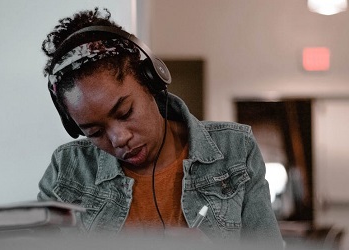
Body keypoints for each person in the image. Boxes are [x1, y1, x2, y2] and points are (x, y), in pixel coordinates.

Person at [37, 7, 284, 249]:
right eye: (95, 132)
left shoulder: (235, 150)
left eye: (125, 113)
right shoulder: (66, 172)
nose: (119, 138)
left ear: (150, 82)